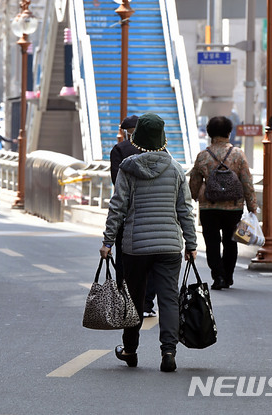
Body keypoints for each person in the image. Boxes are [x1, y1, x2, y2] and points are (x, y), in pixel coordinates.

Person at [100, 113, 198, 372]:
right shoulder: (176, 169)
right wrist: (191, 243)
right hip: (169, 246)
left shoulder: (128, 168)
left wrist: (108, 240)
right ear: (162, 137)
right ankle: (168, 352)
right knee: (168, 298)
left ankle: (130, 350)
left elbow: (117, 207)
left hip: (136, 246)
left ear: (138, 136)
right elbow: (185, 210)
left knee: (133, 298)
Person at [189, 116, 258, 290]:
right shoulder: (237, 154)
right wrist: (252, 206)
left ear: (210, 133)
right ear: (229, 132)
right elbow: (246, 182)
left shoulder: (203, 156)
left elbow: (194, 181)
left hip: (208, 206)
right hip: (233, 206)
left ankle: (217, 276)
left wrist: (194, 196)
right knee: (230, 242)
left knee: (211, 242)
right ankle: (228, 276)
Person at [109, 115, 157, 318]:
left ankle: (125, 302)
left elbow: (116, 183)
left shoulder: (120, 150)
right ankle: (146, 302)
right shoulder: (159, 150)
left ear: (126, 131)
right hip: (154, 214)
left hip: (128, 215)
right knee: (154, 260)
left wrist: (107, 238)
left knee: (124, 259)